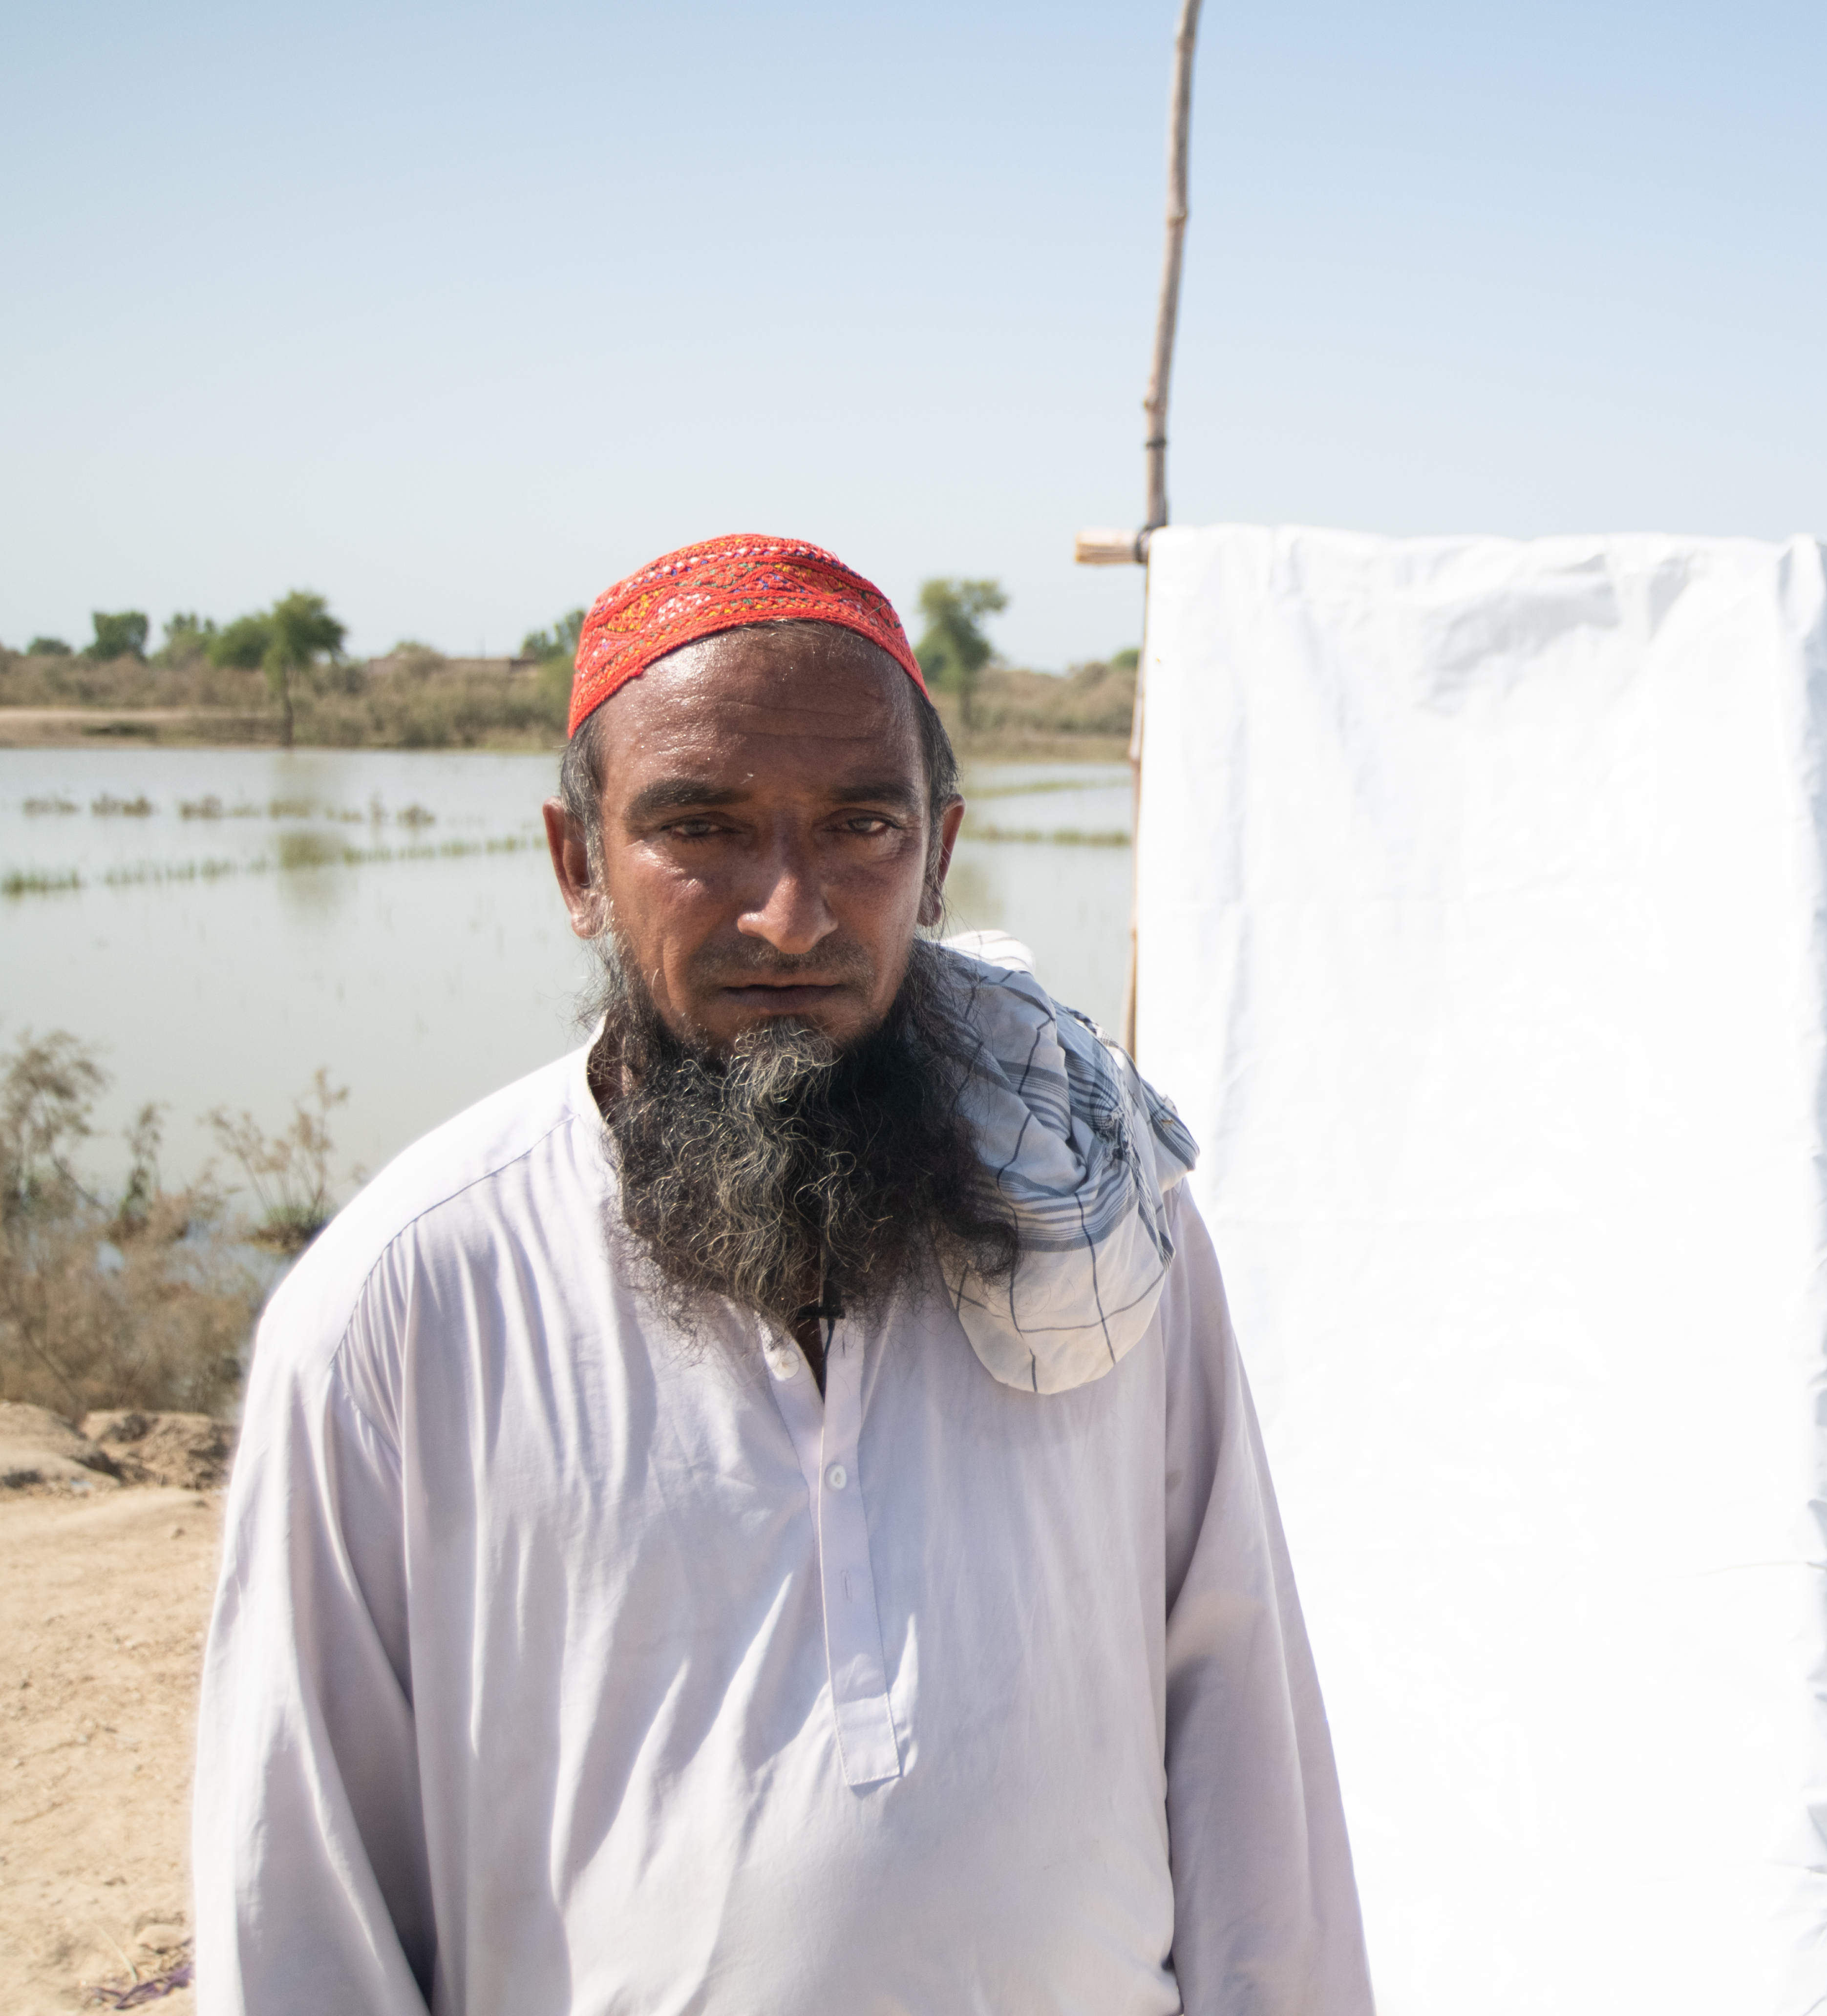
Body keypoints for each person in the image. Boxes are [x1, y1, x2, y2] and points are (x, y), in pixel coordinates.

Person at [191, 534, 1371, 2014]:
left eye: (861, 827)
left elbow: (1244, 1743)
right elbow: (302, 1900)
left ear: (938, 856)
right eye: (705, 828)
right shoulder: (405, 1306)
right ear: (578, 867)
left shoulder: (1108, 1228)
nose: (792, 915)